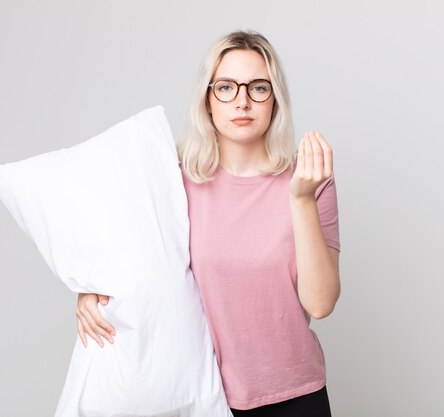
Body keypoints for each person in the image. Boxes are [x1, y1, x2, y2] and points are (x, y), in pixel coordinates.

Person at [75, 29, 341, 416]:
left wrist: (300, 198)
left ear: (275, 100)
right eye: (226, 88)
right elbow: (136, 264)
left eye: (258, 88)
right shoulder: (174, 180)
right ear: (207, 99)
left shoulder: (310, 179)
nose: (243, 101)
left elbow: (320, 302)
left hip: (296, 396)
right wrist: (92, 292)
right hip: (201, 397)